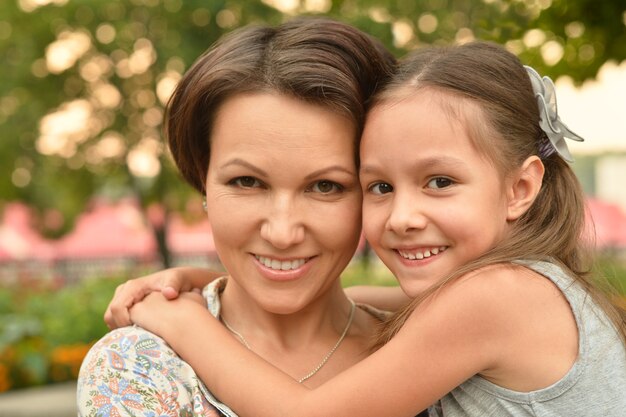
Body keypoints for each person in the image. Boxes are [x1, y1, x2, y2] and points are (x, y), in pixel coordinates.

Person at [123, 41, 626, 416]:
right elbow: (386, 304)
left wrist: (183, 321)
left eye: (440, 181)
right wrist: (207, 282)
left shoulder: (496, 295)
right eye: (380, 187)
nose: (403, 217)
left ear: (519, 189)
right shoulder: (524, 286)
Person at [76, 17, 399, 416]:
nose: (282, 233)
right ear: (203, 179)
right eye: (247, 182)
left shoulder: (427, 348)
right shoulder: (139, 365)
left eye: (326, 186)